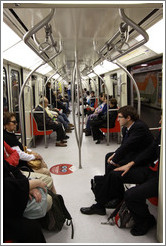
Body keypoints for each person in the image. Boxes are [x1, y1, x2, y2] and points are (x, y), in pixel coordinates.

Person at [80, 105, 154, 215]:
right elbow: (124, 146)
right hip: (134, 155)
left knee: (112, 171)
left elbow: (127, 146)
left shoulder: (139, 127)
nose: (117, 119)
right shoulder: (126, 128)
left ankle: (100, 205)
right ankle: (115, 195)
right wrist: (114, 155)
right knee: (108, 157)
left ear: (128, 118)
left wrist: (115, 160)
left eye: (120, 117)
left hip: (142, 161)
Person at [4, 159, 47, 243]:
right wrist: (30, 185)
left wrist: (27, 186)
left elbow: (12, 169)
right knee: (33, 229)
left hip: (14, 189)